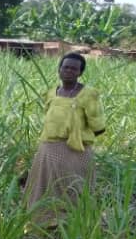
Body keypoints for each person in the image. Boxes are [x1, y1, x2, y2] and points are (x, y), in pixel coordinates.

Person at [25, 53, 106, 223]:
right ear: (59, 70)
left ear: (80, 72)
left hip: (76, 151)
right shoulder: (51, 93)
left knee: (74, 187)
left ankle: (73, 222)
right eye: (65, 67)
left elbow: (98, 127)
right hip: (48, 150)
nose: (69, 71)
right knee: (45, 187)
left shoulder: (88, 94)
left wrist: (79, 138)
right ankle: (45, 221)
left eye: (74, 68)